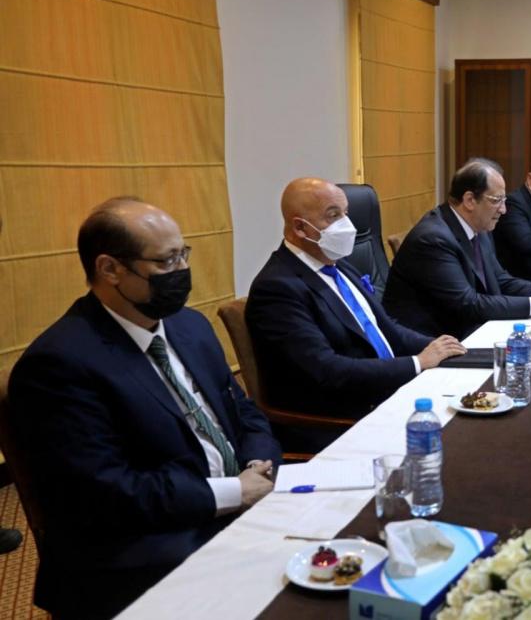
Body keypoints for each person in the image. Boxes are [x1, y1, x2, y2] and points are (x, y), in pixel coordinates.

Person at [7, 198, 281, 620]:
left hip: (237, 502)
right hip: (144, 545)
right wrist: (233, 492)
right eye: (166, 261)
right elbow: (107, 491)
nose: (182, 271)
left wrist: (257, 463)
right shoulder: (59, 364)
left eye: (183, 254)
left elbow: (242, 410)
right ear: (110, 269)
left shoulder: (189, 325)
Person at [245, 178, 466, 441]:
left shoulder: (337, 265)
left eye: (346, 213)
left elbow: (386, 329)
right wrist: (417, 363)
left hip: (387, 390)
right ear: (300, 227)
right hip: (338, 418)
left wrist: (442, 349)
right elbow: (327, 370)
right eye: (333, 215)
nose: (346, 224)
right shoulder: (277, 288)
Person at [383, 158, 531, 339]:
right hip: (431, 341)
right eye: (496, 200)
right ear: (470, 200)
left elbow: (500, 280)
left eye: (504, 200)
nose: (503, 210)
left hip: (467, 328)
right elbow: (468, 303)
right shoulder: (434, 238)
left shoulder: (478, 226)